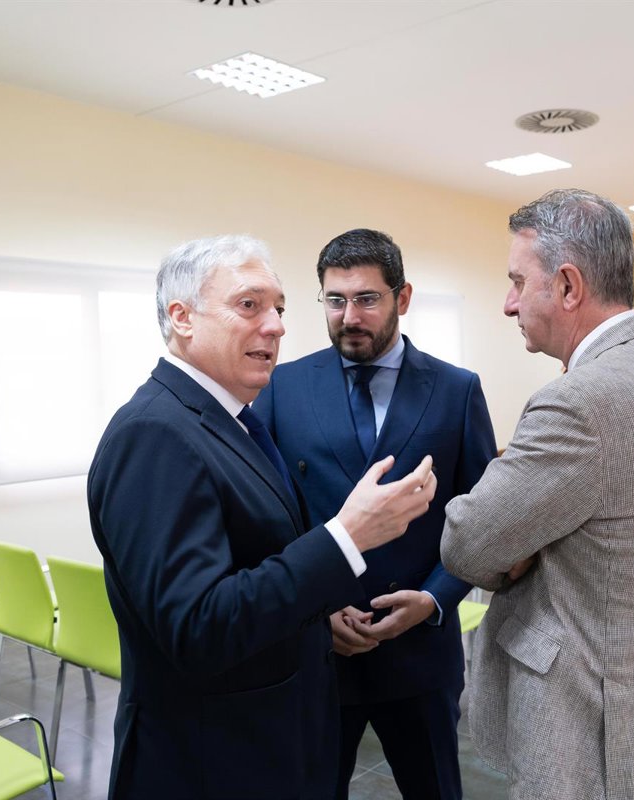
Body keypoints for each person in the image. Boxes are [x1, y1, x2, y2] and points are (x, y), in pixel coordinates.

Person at [88, 234, 437, 800]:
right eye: (249, 305)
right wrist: (346, 537)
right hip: (211, 764)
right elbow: (199, 627)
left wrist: (317, 610)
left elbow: (258, 561)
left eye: (279, 308)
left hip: (272, 740)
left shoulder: (234, 420)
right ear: (182, 318)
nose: (275, 326)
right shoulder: (154, 433)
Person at [441, 189, 634, 800]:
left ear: (568, 286)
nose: (508, 303)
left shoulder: (578, 404)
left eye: (519, 281)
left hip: (586, 735)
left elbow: (467, 542)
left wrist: (518, 544)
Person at [255, 228, 497, 799]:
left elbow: (484, 523)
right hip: (318, 651)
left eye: (366, 298)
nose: (349, 317)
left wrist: (434, 600)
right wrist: (314, 609)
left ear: (402, 298)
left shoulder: (456, 390)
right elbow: (267, 514)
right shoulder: (283, 387)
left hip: (420, 657)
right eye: (335, 300)